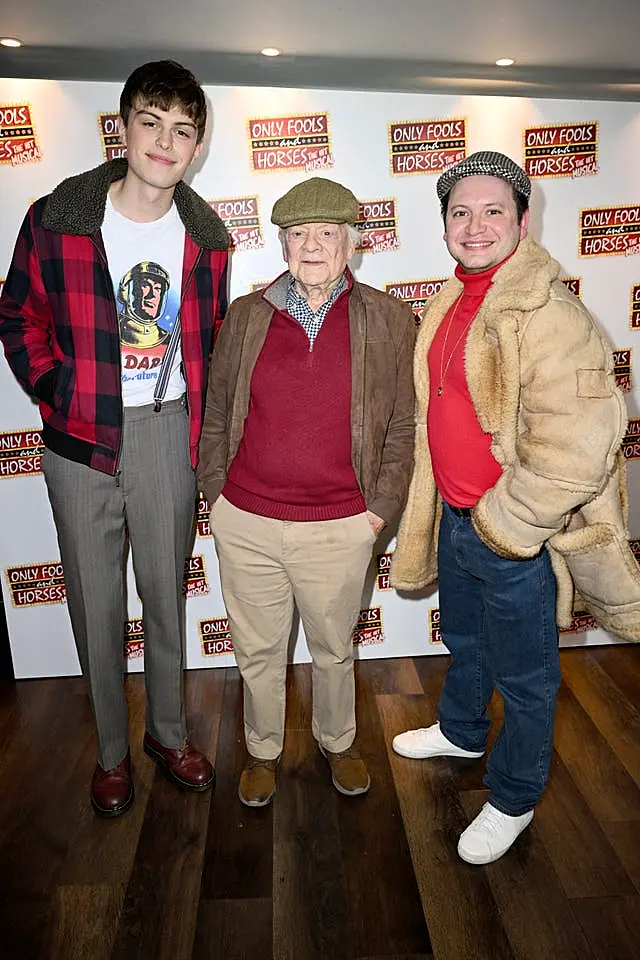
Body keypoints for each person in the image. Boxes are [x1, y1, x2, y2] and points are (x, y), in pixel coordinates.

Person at [391, 151, 640, 864]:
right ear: (444, 226)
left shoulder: (552, 313)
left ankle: (514, 796)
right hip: (457, 519)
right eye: (459, 212)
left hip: (512, 536)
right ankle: (462, 729)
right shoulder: (456, 296)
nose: (475, 225)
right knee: (467, 645)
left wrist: (509, 528)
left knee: (527, 678)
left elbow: (577, 446)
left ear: (523, 221)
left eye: (493, 209)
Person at [0, 59, 229, 817]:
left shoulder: (208, 239)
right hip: (79, 443)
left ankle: (167, 733)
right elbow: (16, 317)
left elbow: (212, 340)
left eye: (183, 130)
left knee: (166, 598)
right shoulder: (55, 218)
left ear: (196, 146)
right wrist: (57, 390)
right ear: (124, 126)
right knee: (95, 608)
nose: (166, 142)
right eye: (152, 122)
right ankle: (109, 752)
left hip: (168, 438)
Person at [197, 177, 415, 807]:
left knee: (333, 648)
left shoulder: (389, 318)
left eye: (327, 233)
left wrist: (380, 511)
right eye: (299, 234)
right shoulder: (246, 315)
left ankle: (338, 742)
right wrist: (218, 494)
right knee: (258, 653)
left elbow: (403, 424)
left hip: (343, 525)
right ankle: (263, 751)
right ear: (283, 243)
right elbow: (217, 412)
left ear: (353, 242)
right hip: (249, 521)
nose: (312, 246)